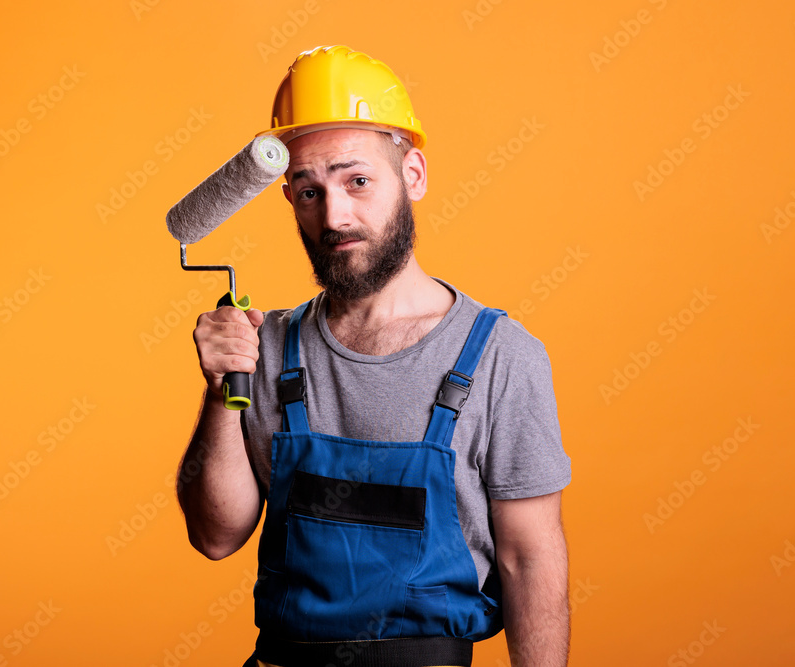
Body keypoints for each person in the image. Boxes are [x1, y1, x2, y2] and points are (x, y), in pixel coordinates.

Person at [176, 45, 572, 667]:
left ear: (412, 174)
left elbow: (530, 558)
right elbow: (216, 536)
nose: (334, 215)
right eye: (308, 191)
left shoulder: (502, 357)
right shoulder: (270, 344)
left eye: (356, 180)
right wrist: (223, 388)